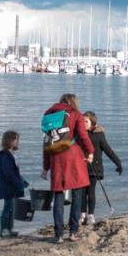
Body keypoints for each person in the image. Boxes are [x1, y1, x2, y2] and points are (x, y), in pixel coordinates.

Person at [41, 93, 94, 243]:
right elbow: (83, 136)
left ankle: (58, 235)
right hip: (73, 156)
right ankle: (73, 232)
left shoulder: (48, 114)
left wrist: (45, 167)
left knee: (58, 196)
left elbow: (46, 142)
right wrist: (91, 151)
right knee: (78, 194)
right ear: (73, 102)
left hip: (55, 156)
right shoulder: (75, 114)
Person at [80, 111, 122, 226]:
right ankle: (82, 214)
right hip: (81, 167)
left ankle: (91, 215)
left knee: (91, 191)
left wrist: (118, 162)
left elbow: (108, 150)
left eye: (86, 121)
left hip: (95, 167)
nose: (83, 123)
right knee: (82, 192)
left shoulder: (99, 135)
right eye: (82, 121)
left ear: (92, 122)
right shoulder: (79, 134)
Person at [0, 130, 28, 238]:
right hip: (7, 187)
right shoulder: (5, 156)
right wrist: (19, 184)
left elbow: (15, 172)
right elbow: (8, 173)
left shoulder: (12, 154)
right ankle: (4, 230)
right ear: (9, 141)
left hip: (12, 186)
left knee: (11, 208)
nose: (17, 142)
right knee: (7, 208)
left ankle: (9, 229)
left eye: (17, 139)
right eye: (15, 140)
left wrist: (22, 181)